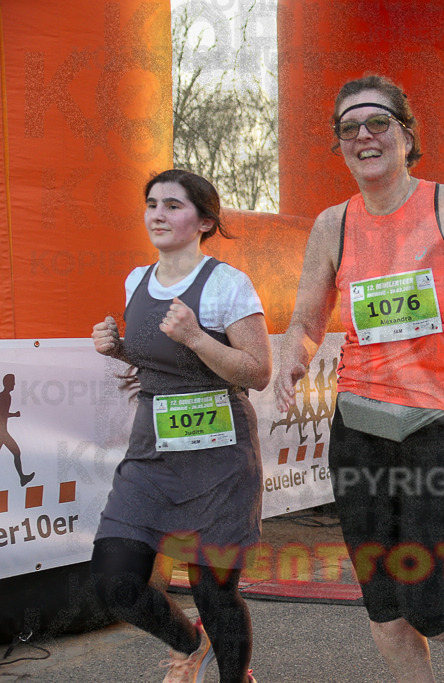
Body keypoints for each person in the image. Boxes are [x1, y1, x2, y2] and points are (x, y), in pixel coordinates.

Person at [273, 75, 444, 683]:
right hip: (361, 420)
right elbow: (308, 321)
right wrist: (294, 351)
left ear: (406, 134)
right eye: (349, 128)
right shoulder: (333, 224)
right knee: (384, 606)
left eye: (378, 122)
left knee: (423, 599)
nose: (364, 136)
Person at [90, 169, 270, 682]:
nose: (158, 214)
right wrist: (119, 348)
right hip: (153, 454)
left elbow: (257, 372)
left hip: (220, 456)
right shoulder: (137, 280)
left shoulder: (227, 284)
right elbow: (160, 364)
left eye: (173, 205)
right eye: (152, 204)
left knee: (214, 591)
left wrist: (196, 337)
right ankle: (191, 644)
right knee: (115, 582)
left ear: (205, 221)